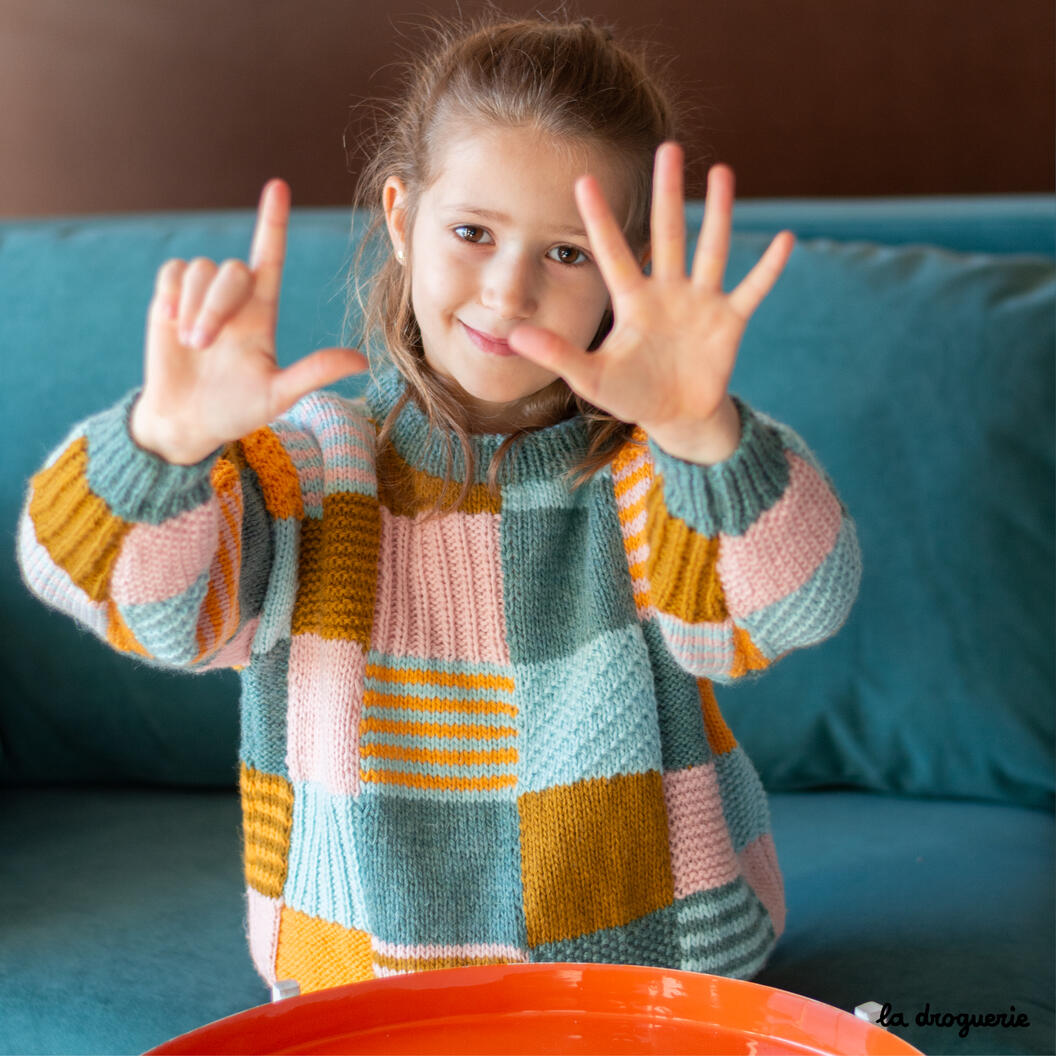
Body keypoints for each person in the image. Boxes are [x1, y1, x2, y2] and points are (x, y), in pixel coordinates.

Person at [16, 12, 861, 993]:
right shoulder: (303, 468)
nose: (508, 293)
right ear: (400, 218)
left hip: (658, 976)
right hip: (363, 991)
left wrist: (703, 434)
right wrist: (162, 446)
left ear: (627, 271)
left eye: (568, 253)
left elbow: (790, 605)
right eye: (472, 232)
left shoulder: (649, 471)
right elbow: (132, 603)